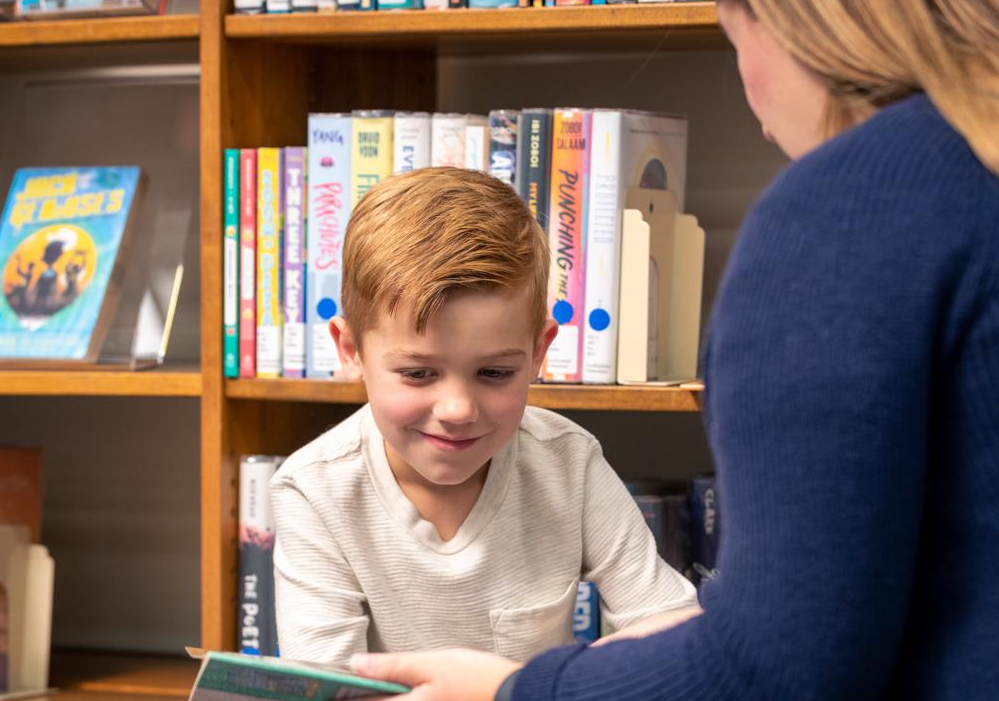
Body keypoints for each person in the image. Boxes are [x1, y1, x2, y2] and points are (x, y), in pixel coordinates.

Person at [325, 0, 999, 701]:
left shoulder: (845, 216)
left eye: (736, 38)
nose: (757, 112)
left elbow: (770, 684)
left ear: (785, 15)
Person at [270, 167, 698, 669]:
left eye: (494, 372)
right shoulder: (312, 490)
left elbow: (672, 622)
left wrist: (567, 692)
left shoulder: (570, 462)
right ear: (350, 350)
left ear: (539, 351)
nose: (457, 411)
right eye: (417, 373)